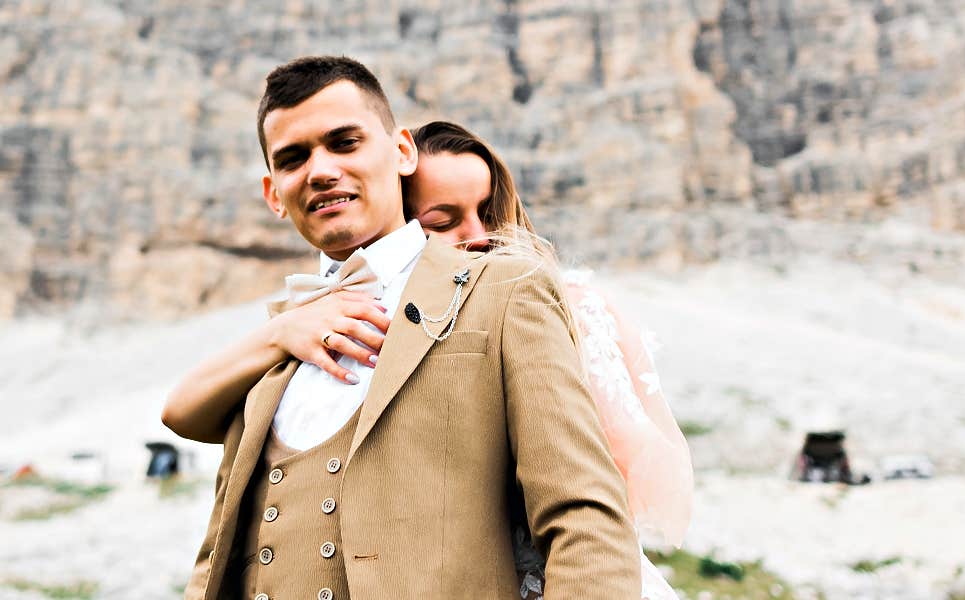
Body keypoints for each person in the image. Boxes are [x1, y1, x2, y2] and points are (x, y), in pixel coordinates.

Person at [171, 56, 640, 600]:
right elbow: (185, 432)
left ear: (401, 152)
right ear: (274, 192)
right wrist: (283, 333)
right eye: (294, 158)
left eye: (344, 142)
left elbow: (584, 515)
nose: (321, 170)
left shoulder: (505, 290)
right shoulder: (276, 345)